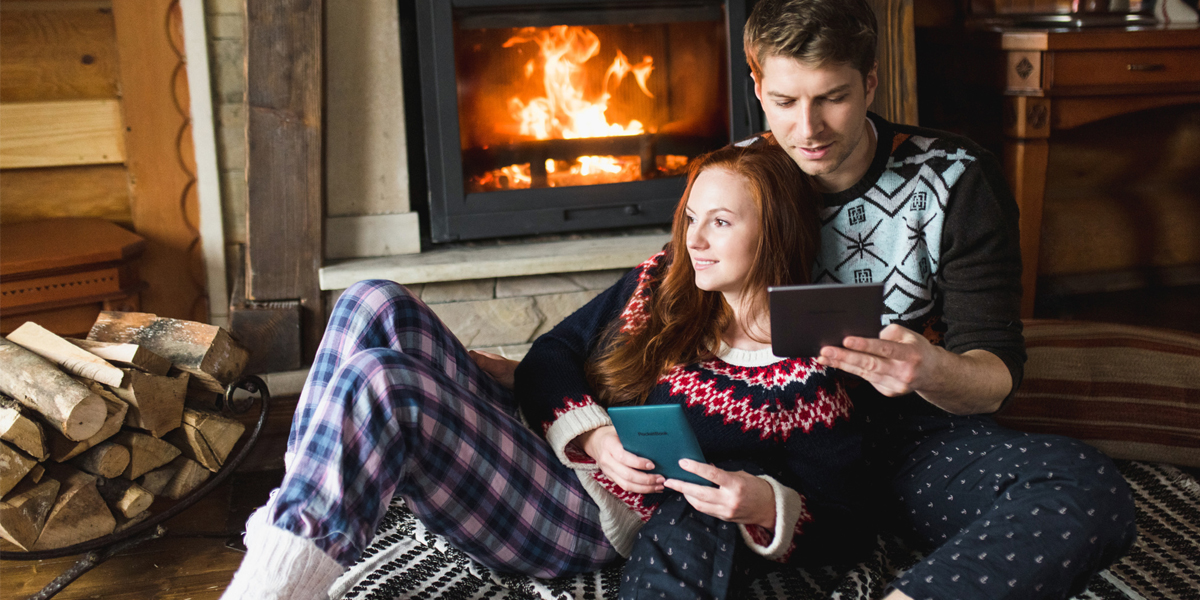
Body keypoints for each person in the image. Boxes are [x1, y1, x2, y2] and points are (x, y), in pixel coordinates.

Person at [505, 1, 1139, 598]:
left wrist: (933, 370)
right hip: (761, 444)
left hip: (908, 442)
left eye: (832, 98)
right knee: (686, 526)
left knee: (1084, 489)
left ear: (870, 82)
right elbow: (646, 305)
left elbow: (996, 374)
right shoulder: (744, 176)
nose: (806, 129)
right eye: (783, 101)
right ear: (756, 88)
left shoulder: (955, 176)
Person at [222, 141, 870, 600]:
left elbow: (847, 521)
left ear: (776, 232)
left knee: (384, 384)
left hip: (592, 518)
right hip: (559, 453)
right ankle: (290, 541)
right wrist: (593, 434)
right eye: (692, 217)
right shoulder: (667, 278)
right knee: (372, 299)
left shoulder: (807, 371)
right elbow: (552, 352)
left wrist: (761, 503)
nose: (693, 239)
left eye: (720, 223)